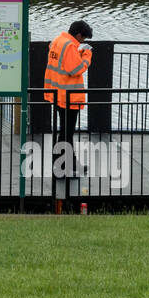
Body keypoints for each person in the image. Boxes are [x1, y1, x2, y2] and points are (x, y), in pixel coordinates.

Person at [44, 19, 93, 178]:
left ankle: (67, 164)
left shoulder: (58, 41)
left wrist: (77, 52)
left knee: (65, 132)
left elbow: (64, 62)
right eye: (83, 39)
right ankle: (62, 167)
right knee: (67, 133)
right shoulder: (70, 46)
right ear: (78, 35)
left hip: (58, 93)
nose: (83, 41)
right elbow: (76, 69)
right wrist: (86, 55)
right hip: (68, 97)